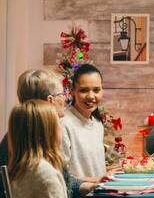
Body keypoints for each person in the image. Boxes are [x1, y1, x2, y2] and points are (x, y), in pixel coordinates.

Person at [0, 69, 97, 198]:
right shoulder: (46, 138)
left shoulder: (17, 135)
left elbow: (62, 180)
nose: (66, 97)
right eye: (62, 93)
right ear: (50, 100)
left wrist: (91, 184)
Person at [7, 100, 67, 198]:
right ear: (48, 131)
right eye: (58, 123)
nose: (61, 128)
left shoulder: (22, 168)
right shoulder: (46, 175)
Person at [61, 64, 106, 178]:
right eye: (84, 90)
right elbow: (62, 175)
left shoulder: (97, 123)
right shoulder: (63, 123)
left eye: (96, 90)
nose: (91, 96)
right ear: (72, 91)